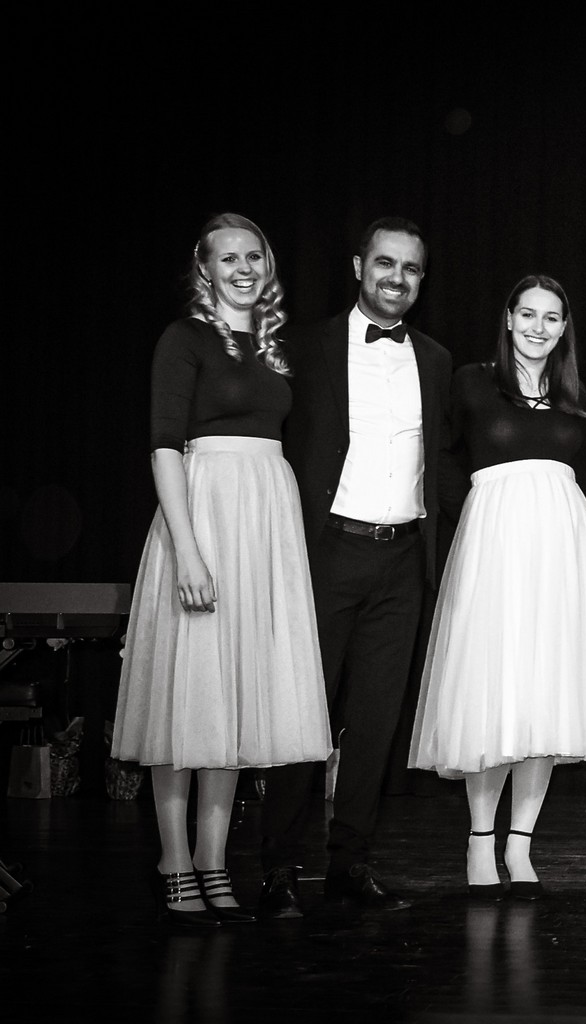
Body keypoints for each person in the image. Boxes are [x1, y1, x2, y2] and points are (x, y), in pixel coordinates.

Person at [115, 213, 333, 926]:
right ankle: (174, 858)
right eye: (228, 258)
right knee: (186, 697)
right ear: (204, 269)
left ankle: (213, 860)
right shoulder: (184, 339)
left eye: (253, 256)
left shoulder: (273, 346)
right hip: (204, 516)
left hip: (263, 524)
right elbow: (164, 446)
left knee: (230, 698)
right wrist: (187, 550)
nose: (243, 268)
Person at [408, 276, 586, 900]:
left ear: (564, 328)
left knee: (545, 696)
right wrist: (475, 516)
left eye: (552, 317)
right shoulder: (472, 383)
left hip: (561, 554)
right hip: (495, 550)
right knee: (494, 689)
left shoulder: (576, 396)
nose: (539, 327)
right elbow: (441, 459)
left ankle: (520, 844)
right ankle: (481, 840)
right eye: (528, 314)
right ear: (508, 319)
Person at [260, 217, 461, 916]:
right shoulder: (305, 346)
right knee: (304, 714)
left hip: (402, 559)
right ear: (358, 266)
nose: (396, 278)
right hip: (327, 552)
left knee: (375, 722)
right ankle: (278, 866)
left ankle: (351, 861)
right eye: (385, 263)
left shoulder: (435, 359)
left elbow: (442, 465)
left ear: (421, 280)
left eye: (410, 268)